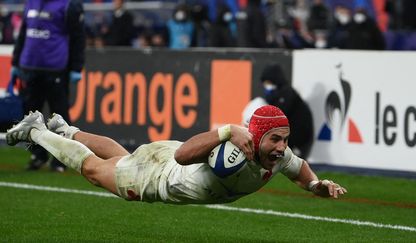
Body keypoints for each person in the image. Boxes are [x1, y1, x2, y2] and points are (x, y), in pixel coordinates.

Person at [6, 106, 347, 204]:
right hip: (161, 177)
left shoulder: (276, 155)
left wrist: (316, 184)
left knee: (122, 157)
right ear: (256, 137)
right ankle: (38, 130)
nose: (282, 147)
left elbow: (299, 168)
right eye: (275, 139)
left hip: (164, 159)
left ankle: (66, 130)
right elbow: (185, 155)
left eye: (285, 140)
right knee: (96, 171)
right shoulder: (232, 150)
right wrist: (225, 131)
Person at [10, 0, 85, 172]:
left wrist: (76, 67)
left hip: (56, 69)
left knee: (59, 117)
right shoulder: (31, 3)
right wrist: (15, 62)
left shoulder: (69, 5)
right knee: (29, 116)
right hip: (30, 68)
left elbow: (78, 37)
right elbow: (23, 33)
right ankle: (38, 155)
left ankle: (61, 159)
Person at [257, 64, 314, 159]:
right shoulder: (277, 95)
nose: (266, 86)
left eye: (268, 82)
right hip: (291, 133)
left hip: (299, 135)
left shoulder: (287, 94)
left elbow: (279, 115)